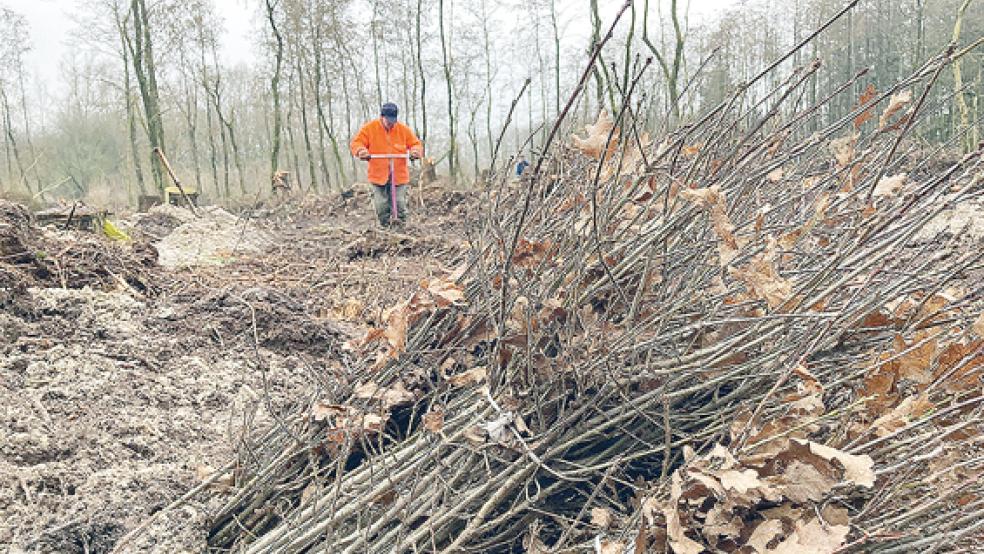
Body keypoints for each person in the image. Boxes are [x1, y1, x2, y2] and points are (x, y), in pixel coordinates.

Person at [350, 103, 423, 226]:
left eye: (393, 121)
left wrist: (415, 152)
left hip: (399, 175)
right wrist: (361, 151)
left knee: (399, 203)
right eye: (388, 120)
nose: (391, 124)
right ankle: (385, 226)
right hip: (378, 174)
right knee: (381, 205)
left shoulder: (403, 130)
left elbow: (416, 144)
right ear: (382, 117)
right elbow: (356, 143)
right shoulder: (369, 129)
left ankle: (402, 227)